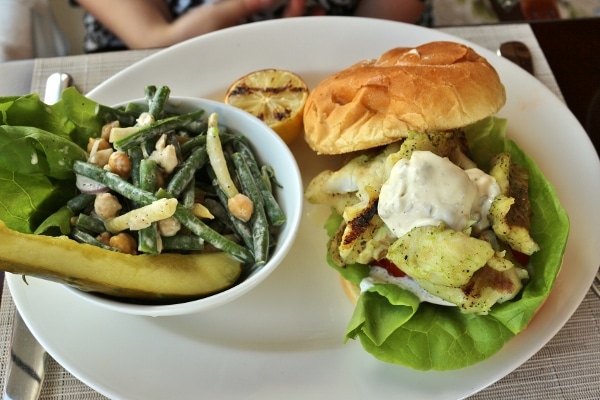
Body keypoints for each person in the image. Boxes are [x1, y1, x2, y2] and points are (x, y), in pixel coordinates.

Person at [72, 0, 429, 53]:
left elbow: (392, 14)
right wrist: (242, 6)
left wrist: (327, 40)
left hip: (350, 44)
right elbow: (153, 38)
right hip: (150, 54)